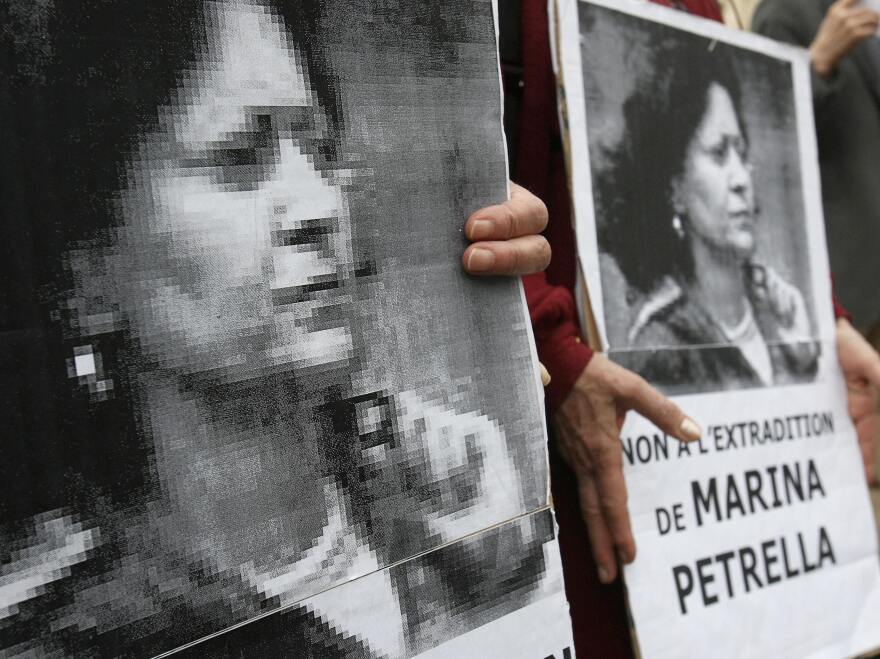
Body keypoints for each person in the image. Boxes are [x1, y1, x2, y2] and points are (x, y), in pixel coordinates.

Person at [0, 0, 554, 655]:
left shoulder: (451, 509)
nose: (321, 206)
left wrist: (507, 576)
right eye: (239, 156)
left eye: (321, 150)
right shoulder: (70, 635)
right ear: (89, 270)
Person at [598, 38, 819, 393]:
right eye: (718, 153)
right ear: (674, 188)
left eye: (741, 153)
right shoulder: (661, 347)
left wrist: (803, 363)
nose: (742, 179)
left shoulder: (779, 316)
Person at [753, 0, 880, 484]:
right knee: (858, 471)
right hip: (850, 293)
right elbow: (761, 135)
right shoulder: (785, 13)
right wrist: (819, 59)